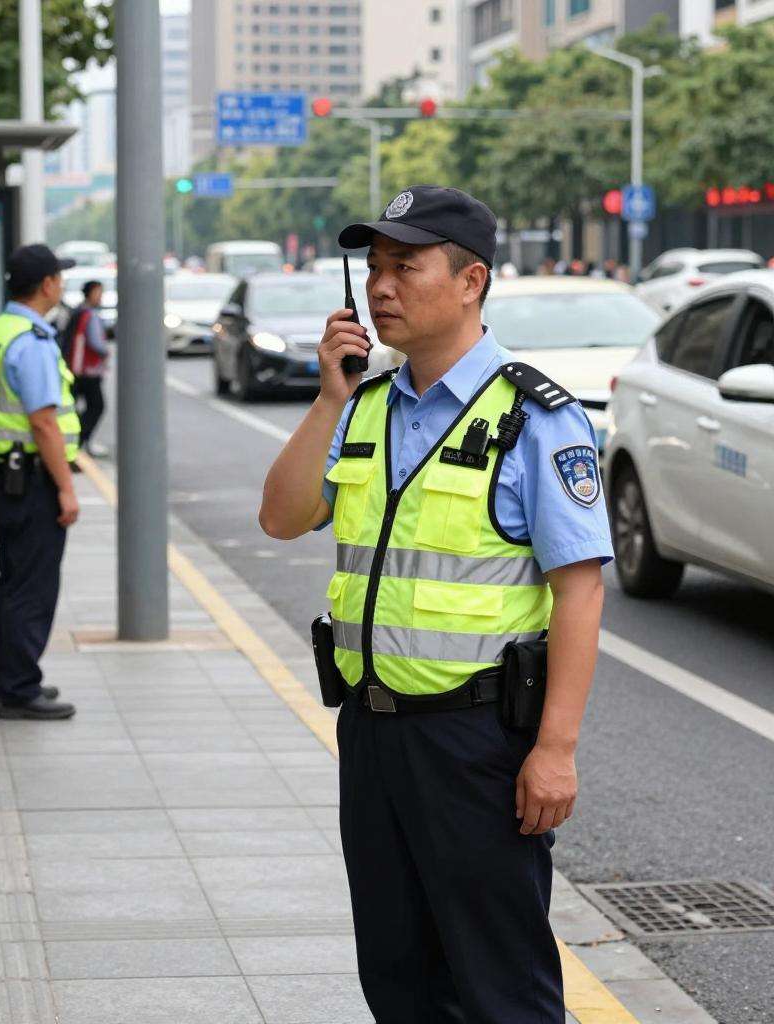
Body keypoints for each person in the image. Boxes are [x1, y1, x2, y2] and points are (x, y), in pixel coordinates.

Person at [259, 185, 614, 1023]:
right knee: (398, 975)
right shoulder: (367, 406)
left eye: (405, 267)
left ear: (470, 281)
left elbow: (580, 590)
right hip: (373, 734)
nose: (382, 288)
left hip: (477, 744)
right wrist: (328, 398)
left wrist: (555, 749)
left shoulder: (535, 417)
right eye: (374, 269)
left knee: (501, 984)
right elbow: (279, 517)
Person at [0, 243, 81, 720]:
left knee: (13, 581)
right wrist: (66, 487)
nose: (61, 283)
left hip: (3, 476)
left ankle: (13, 680)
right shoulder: (32, 341)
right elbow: (43, 422)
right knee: (31, 587)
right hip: (32, 481)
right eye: (59, 276)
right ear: (47, 285)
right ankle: (19, 688)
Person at [66, 279, 110, 456]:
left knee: (74, 407)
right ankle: (79, 441)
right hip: (87, 371)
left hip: (75, 369)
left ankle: (79, 442)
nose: (101, 297)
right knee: (97, 406)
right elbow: (95, 342)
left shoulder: (77, 311)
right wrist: (105, 352)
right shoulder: (90, 315)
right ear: (90, 293)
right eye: (98, 292)